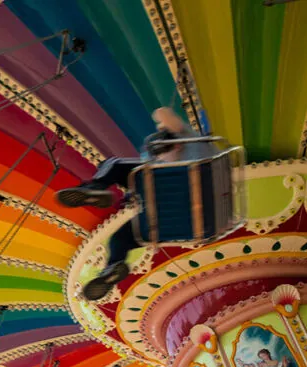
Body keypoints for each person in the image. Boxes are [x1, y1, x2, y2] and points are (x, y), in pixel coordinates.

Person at [56, 107, 217, 301]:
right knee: (119, 238)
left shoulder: (192, 145)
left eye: (165, 150)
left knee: (115, 165)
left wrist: (165, 123)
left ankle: (94, 187)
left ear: (175, 144)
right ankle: (112, 268)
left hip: (182, 199)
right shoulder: (165, 165)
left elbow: (164, 114)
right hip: (181, 218)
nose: (162, 156)